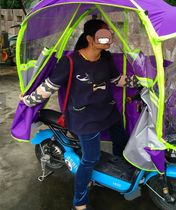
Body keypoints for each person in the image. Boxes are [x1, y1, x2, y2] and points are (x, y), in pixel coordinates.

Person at [20, 19, 138, 210]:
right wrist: (27, 100)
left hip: (107, 110)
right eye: (104, 35)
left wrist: (143, 82)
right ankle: (79, 202)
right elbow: (49, 87)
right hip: (84, 118)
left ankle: (119, 173)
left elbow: (117, 80)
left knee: (121, 137)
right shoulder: (70, 62)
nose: (110, 38)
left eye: (110, 35)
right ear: (91, 38)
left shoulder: (106, 58)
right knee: (90, 159)